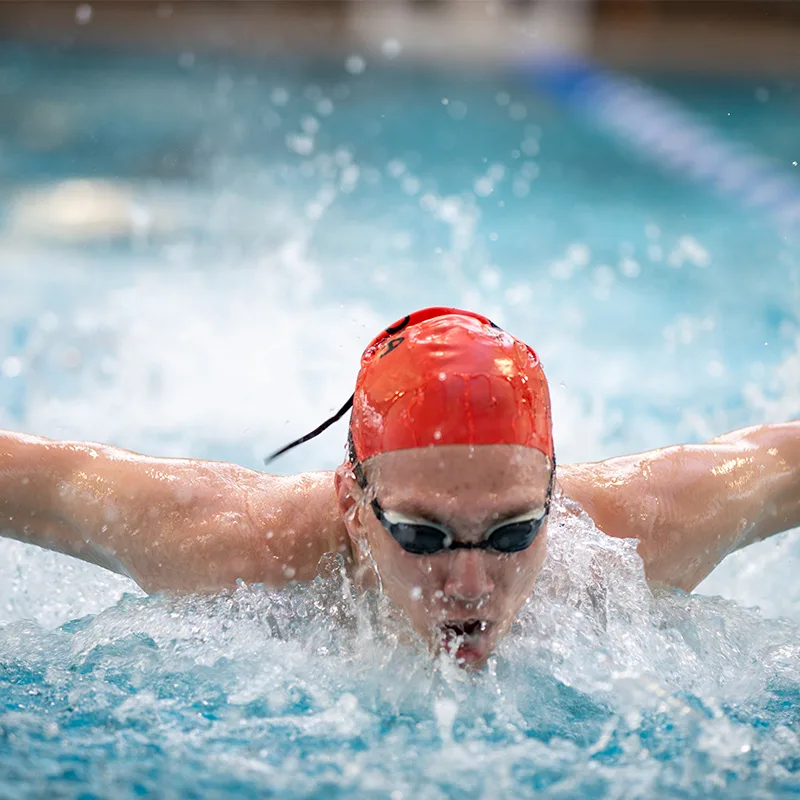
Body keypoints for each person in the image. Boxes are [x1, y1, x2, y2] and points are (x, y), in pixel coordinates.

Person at [0, 307, 798, 667]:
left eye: (515, 532)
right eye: (423, 537)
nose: (471, 583)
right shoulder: (230, 545)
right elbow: (45, 481)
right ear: (351, 506)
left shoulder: (637, 537)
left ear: (553, 497)